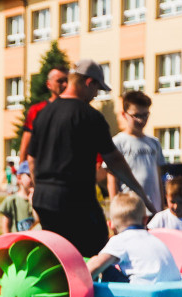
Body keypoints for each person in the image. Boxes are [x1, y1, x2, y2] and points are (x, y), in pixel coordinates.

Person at [27, 59, 157, 257]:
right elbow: (114, 160)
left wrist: (40, 187)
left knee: (57, 256)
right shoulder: (89, 116)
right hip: (75, 202)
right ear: (89, 83)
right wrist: (141, 193)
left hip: (43, 199)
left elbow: (31, 158)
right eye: (97, 89)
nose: (96, 95)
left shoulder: (43, 113)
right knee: (96, 254)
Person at [86, 192, 181, 284]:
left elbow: (96, 265)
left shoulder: (120, 240)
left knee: (105, 268)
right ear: (145, 220)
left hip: (144, 293)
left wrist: (82, 277)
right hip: (173, 292)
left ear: (111, 225)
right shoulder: (156, 239)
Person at [106, 90, 164, 216]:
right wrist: (115, 210)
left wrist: (162, 207)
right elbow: (112, 180)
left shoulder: (154, 143)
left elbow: (158, 178)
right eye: (136, 115)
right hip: (130, 211)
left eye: (145, 115)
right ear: (124, 114)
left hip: (154, 210)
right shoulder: (118, 142)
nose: (141, 120)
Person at [18, 66, 69, 163]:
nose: (65, 85)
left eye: (67, 81)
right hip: (43, 167)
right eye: (60, 81)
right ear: (49, 84)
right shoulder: (37, 110)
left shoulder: (77, 109)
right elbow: (26, 143)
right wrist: (22, 169)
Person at [0, 161, 34, 233]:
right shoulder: (11, 200)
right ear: (19, 178)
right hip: (17, 242)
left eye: (34, 175)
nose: (33, 178)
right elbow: (5, 226)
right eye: (29, 175)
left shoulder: (37, 200)